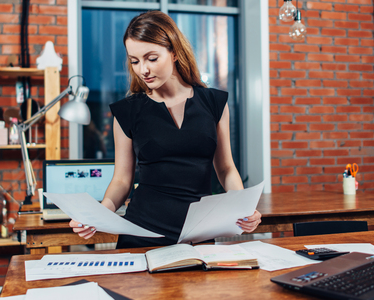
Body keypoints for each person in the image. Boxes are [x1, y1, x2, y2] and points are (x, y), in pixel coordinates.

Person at [70, 10, 262, 248]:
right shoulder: (126, 112)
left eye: (151, 58)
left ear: (174, 52)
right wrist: (98, 213)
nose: (143, 70)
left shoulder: (214, 103)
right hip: (142, 232)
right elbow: (121, 180)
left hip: (198, 234)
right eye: (135, 61)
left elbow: (225, 168)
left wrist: (242, 207)